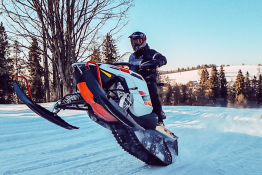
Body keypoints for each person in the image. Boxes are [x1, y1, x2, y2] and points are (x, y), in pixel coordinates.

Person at [128, 31, 167, 125]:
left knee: (151, 94)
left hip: (148, 79)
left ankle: (159, 118)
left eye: (137, 41)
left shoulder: (150, 52)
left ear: (143, 41)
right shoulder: (132, 57)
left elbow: (163, 59)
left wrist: (156, 62)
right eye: (132, 41)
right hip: (134, 81)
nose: (134, 44)